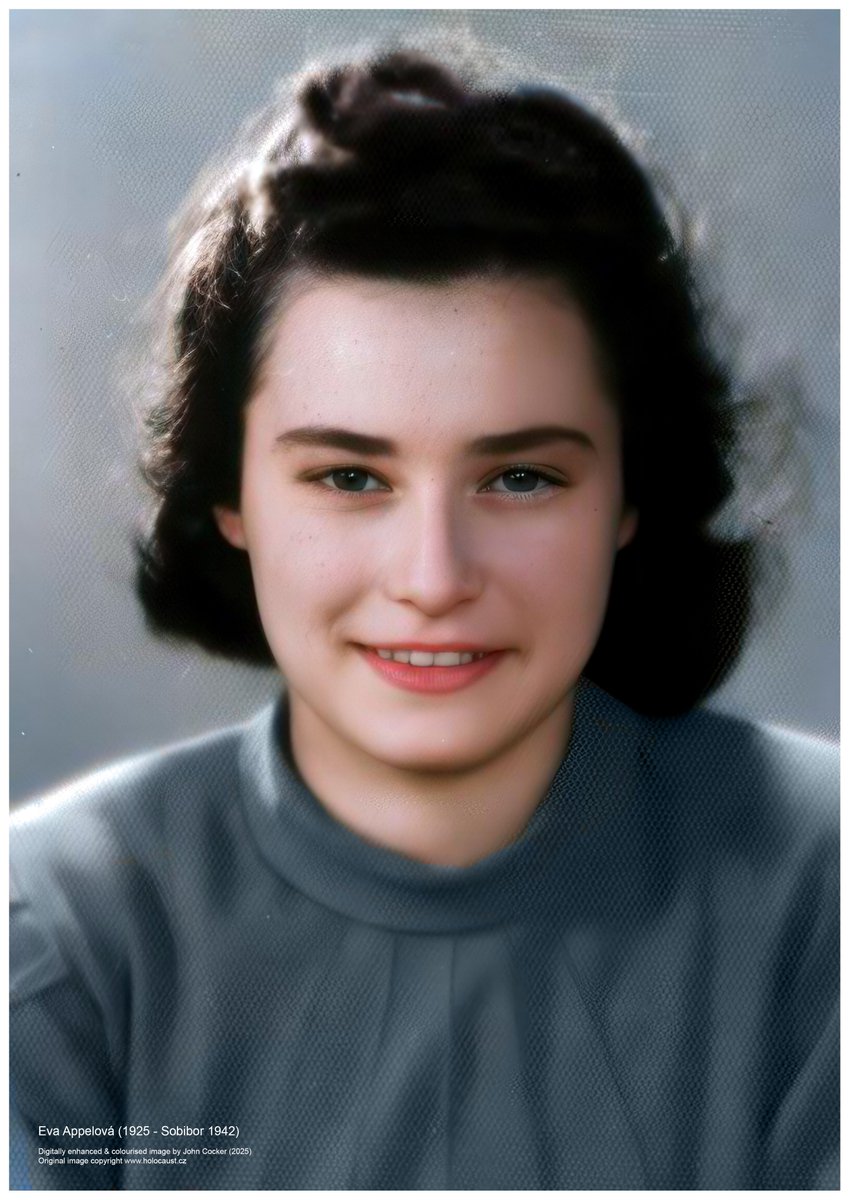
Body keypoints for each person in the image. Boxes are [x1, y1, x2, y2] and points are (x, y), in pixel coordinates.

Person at [10, 41, 838, 1190]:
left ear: (629, 495)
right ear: (228, 497)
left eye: (521, 478)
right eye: (350, 477)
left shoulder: (824, 895)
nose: (434, 576)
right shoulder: (54, 936)